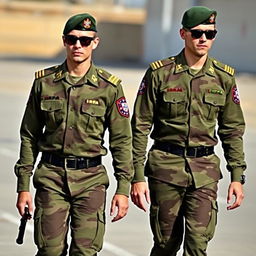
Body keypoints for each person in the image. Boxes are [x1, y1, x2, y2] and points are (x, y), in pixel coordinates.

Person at [131, 6, 246, 256]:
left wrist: (237, 175)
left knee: (197, 246)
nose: (203, 39)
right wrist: (137, 176)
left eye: (210, 33)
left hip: (205, 172)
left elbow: (232, 130)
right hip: (165, 170)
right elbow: (140, 126)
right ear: (183, 33)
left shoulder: (223, 78)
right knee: (166, 245)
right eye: (197, 33)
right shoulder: (160, 73)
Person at [15, 13, 134, 256]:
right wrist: (23, 186)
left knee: (85, 252)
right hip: (51, 179)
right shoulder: (45, 83)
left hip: (91, 181)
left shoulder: (109, 87)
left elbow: (122, 141)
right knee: (50, 251)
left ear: (95, 42)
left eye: (85, 40)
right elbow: (29, 135)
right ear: (64, 41)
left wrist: (123, 188)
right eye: (72, 39)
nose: (78, 45)